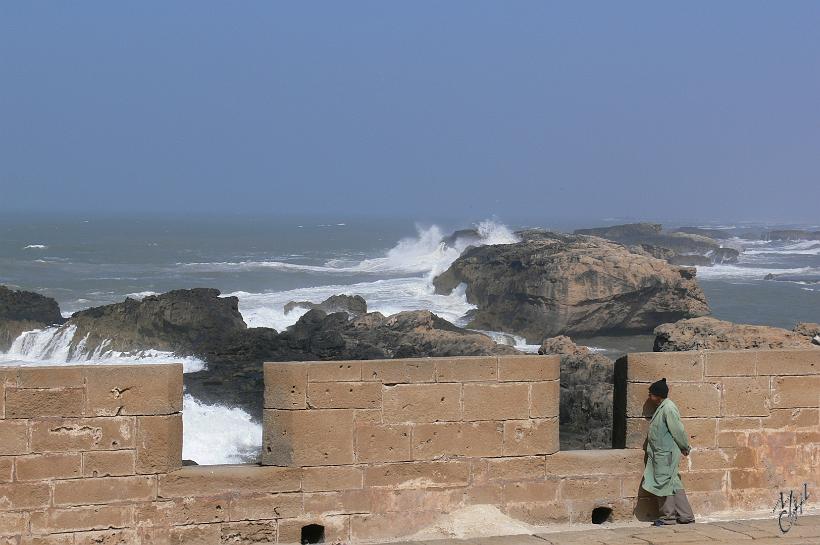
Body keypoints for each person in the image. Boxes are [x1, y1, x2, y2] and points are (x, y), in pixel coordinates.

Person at [642, 377, 696, 526]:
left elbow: (678, 430)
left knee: (662, 484)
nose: (649, 396)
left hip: (665, 455)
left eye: (651, 394)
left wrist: (684, 447)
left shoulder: (668, 408)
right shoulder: (663, 407)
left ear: (658, 395)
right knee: (674, 483)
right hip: (662, 454)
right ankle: (686, 516)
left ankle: (668, 517)